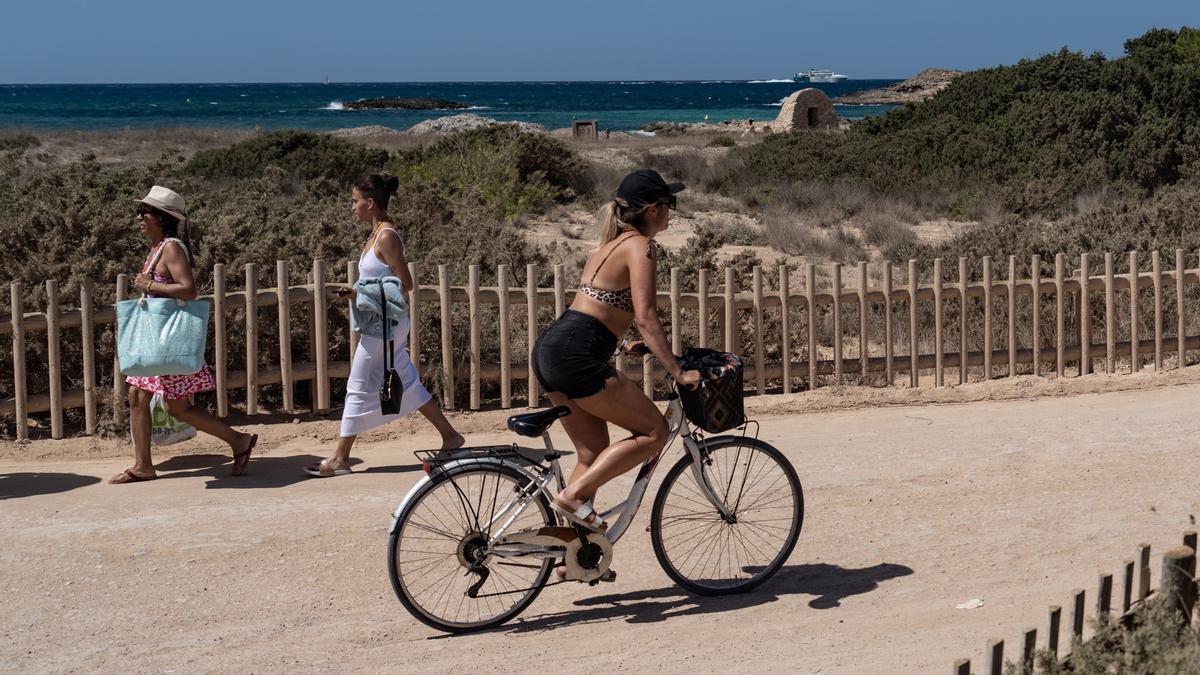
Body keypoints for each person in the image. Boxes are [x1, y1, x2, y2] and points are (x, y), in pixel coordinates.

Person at [531, 170, 701, 531]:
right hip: (577, 355)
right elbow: (646, 316)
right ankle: (572, 498)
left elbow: (596, 306)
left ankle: (573, 551)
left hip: (554, 348)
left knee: (591, 452)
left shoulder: (607, 245)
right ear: (653, 209)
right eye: (670, 203)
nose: (672, 210)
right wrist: (677, 371)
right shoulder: (641, 246)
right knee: (655, 431)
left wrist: (623, 343)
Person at [305, 175, 464, 477]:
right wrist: (357, 291)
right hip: (382, 324)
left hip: (386, 327)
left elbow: (406, 283)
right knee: (408, 382)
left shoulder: (387, 236)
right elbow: (380, 282)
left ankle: (340, 457)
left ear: (370, 203)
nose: (351, 207)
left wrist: (358, 293)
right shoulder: (374, 234)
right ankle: (451, 437)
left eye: (354, 201)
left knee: (357, 384)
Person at [111, 186, 257, 483]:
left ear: (161, 218)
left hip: (165, 342)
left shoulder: (171, 247)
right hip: (159, 341)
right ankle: (144, 465)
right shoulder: (159, 248)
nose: (139, 217)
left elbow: (188, 290)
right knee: (143, 398)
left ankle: (238, 442)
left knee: (176, 407)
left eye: (145, 212)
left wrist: (148, 286)